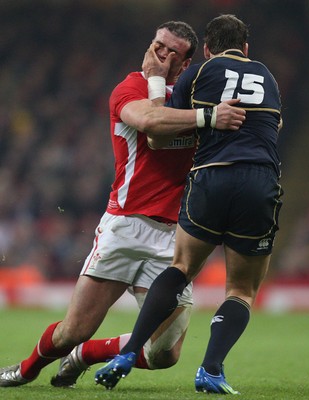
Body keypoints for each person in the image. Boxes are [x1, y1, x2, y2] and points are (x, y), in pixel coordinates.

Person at [0, 21, 245, 388]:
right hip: (126, 225)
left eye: (171, 51)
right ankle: (27, 368)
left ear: (187, 61)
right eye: (157, 44)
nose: (160, 54)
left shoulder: (194, 94)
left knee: (164, 354)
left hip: (175, 236)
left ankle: (86, 356)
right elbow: (151, 124)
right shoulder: (130, 87)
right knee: (73, 329)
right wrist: (208, 117)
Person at [94, 14, 283, 395]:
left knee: (180, 268)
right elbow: (274, 127)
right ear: (246, 49)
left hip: (210, 178)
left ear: (208, 49)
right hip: (259, 181)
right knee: (241, 290)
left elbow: (158, 136)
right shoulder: (268, 76)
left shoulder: (198, 73)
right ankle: (211, 369)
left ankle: (129, 352)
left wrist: (160, 82)